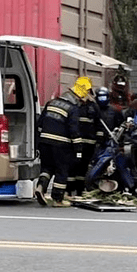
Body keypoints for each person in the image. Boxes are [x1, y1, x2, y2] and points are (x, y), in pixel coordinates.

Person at [35, 78, 84, 207]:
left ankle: (40, 187)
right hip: (61, 145)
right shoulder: (72, 109)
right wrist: (78, 150)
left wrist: (38, 143)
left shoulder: (51, 103)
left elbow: (39, 124)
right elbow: (74, 131)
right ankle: (57, 199)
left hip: (44, 142)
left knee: (47, 168)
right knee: (62, 170)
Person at [67, 77, 105, 197]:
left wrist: (98, 142)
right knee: (72, 167)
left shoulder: (93, 107)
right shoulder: (74, 105)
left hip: (88, 145)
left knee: (82, 168)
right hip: (75, 143)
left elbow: (100, 125)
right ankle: (69, 190)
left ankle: (79, 190)